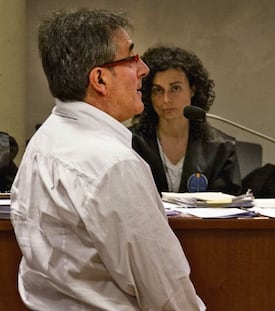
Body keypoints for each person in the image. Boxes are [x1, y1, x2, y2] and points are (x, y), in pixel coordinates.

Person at [10, 9, 205, 310]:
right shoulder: (114, 165)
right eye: (131, 58)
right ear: (100, 79)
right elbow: (167, 292)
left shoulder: (42, 141)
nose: (143, 68)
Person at [129, 46, 242, 195]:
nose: (166, 99)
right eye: (158, 90)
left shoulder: (221, 148)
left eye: (175, 88)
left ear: (193, 89)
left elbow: (230, 211)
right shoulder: (130, 142)